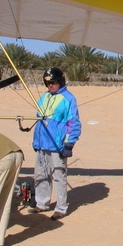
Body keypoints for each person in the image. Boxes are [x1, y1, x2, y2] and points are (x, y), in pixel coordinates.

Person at [30, 67, 82, 220]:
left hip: (57, 144)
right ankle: (42, 203)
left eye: (52, 83)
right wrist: (36, 141)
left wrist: (69, 144)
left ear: (60, 82)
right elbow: (40, 117)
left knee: (58, 175)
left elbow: (73, 123)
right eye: (47, 84)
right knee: (41, 174)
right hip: (42, 143)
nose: (50, 86)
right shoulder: (45, 97)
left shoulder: (68, 98)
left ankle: (61, 207)